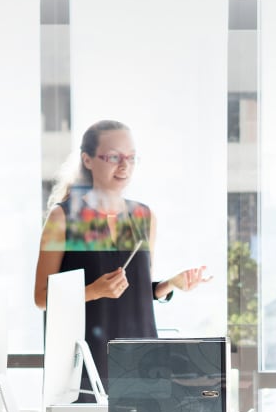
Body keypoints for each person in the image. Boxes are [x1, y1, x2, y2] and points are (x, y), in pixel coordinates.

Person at [32, 119, 210, 387]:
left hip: (143, 361)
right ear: (88, 160)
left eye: (131, 157)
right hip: (84, 364)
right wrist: (93, 290)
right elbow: (42, 298)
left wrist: (170, 285)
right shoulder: (65, 217)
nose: (125, 165)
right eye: (114, 157)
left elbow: (138, 291)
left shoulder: (142, 216)